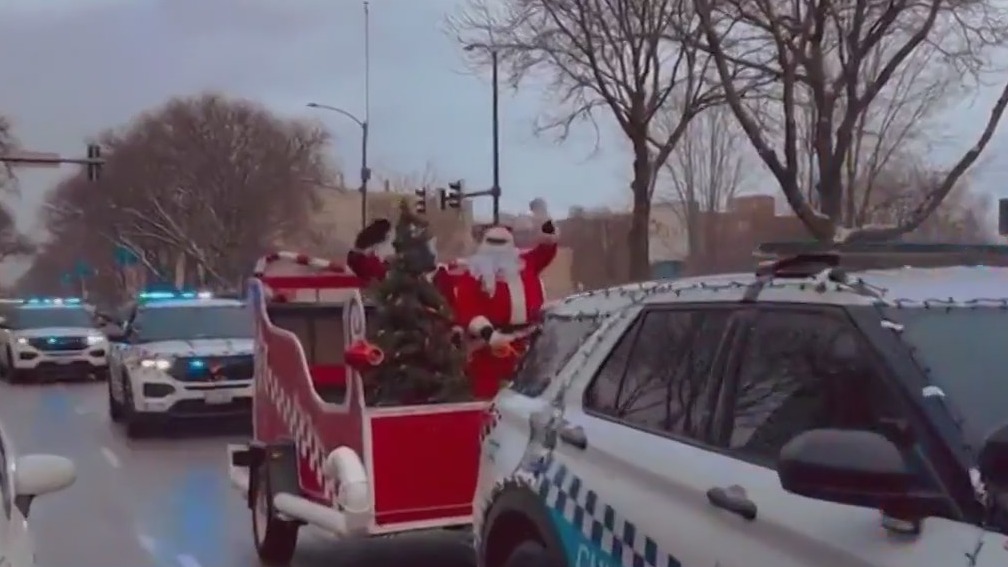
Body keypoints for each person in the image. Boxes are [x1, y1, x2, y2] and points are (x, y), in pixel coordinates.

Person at [453, 198, 559, 398]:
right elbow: (468, 309)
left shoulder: (526, 264)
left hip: (529, 345)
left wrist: (543, 218)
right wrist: (489, 334)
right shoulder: (474, 274)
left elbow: (548, 247)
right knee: (491, 397)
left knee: (530, 396)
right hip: (491, 351)